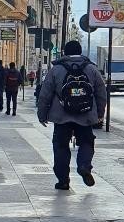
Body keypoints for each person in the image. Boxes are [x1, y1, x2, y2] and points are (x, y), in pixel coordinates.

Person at [36, 39, 107, 191]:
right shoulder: (91, 69)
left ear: (65, 52)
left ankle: (63, 181)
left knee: (60, 147)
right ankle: (84, 166)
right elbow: (101, 93)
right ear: (80, 51)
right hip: (86, 115)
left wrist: (42, 114)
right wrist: (100, 113)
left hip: (61, 116)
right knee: (87, 143)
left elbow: (45, 94)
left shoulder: (56, 70)